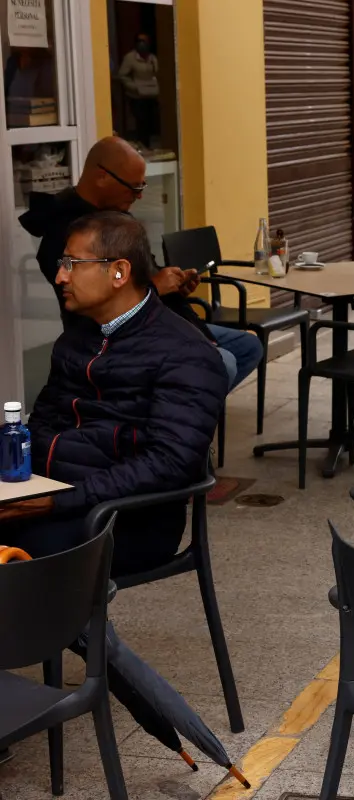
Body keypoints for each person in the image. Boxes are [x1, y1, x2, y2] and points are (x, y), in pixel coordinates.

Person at [0, 212, 228, 574]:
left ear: (119, 272)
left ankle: (81, 632)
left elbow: (169, 464)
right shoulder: (77, 338)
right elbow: (43, 421)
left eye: (72, 264)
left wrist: (55, 502)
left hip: (129, 519)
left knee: (24, 561)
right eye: (62, 264)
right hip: (55, 498)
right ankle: (77, 631)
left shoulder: (187, 354)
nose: (60, 276)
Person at [18, 137, 263, 392]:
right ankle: (170, 411)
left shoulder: (115, 215)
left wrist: (172, 284)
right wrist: (156, 287)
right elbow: (93, 312)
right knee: (222, 364)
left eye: (142, 186)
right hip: (122, 336)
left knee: (246, 347)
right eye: (133, 187)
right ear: (102, 176)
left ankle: (177, 407)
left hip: (160, 318)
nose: (140, 195)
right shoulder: (67, 232)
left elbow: (143, 275)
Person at [117, 33, 159, 146]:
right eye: (139, 41)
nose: (142, 44)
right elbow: (122, 75)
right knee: (141, 123)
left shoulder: (153, 58)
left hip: (151, 94)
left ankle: (150, 145)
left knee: (152, 123)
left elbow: (158, 73)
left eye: (144, 41)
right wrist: (134, 87)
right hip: (137, 96)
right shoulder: (130, 58)